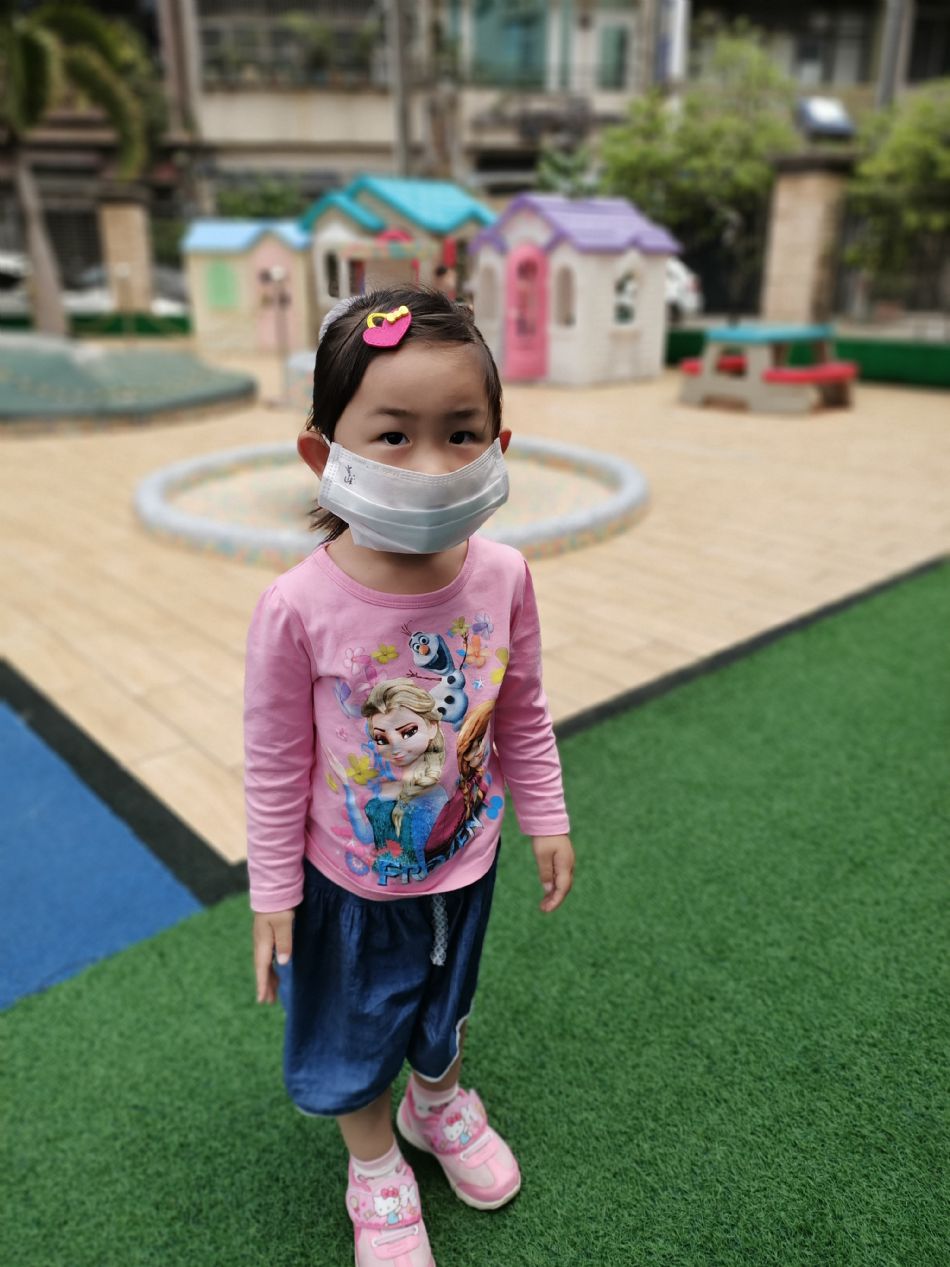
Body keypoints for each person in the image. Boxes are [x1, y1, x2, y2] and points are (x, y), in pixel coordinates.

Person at [245, 284, 574, 1267]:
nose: (432, 463)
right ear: (324, 455)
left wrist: (546, 814)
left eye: (459, 432)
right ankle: (375, 1163)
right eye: (392, 435)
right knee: (352, 1036)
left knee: (445, 1005)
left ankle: (436, 1102)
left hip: (465, 865)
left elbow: (521, 707)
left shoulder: (504, 576)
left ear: (498, 445)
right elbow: (275, 759)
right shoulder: (297, 607)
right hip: (347, 888)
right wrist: (272, 888)